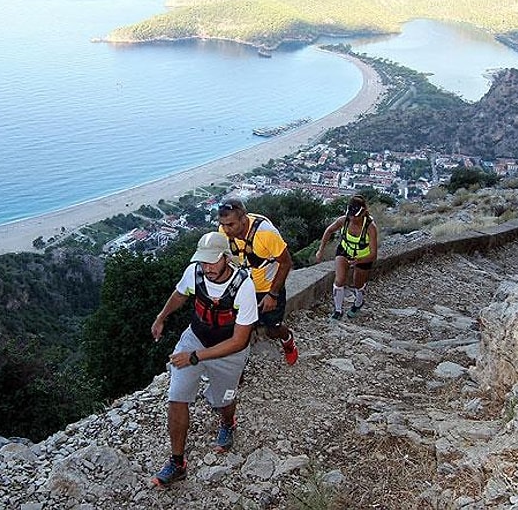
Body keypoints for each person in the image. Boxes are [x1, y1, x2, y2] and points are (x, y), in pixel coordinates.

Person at [149, 231, 259, 488]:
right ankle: (177, 463)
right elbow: (179, 295)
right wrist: (161, 317)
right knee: (177, 396)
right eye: (203, 261)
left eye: (212, 261)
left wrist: (195, 357)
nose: (207, 267)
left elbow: (239, 341)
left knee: (224, 399)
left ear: (226, 258)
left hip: (228, 351)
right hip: (195, 338)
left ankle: (227, 422)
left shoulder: (244, 286)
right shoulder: (195, 273)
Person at [216, 198, 298, 365]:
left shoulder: (266, 234)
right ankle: (237, 367)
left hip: (268, 288)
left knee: (272, 329)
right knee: (237, 329)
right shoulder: (223, 232)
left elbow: (286, 262)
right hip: (242, 287)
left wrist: (272, 295)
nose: (225, 229)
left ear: (244, 219)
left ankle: (287, 339)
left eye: (230, 224)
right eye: (223, 224)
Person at [315, 194, 379, 320]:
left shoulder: (370, 228)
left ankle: (358, 302)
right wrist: (320, 250)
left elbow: (373, 254)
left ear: (363, 213)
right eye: (351, 216)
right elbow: (329, 231)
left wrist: (358, 261)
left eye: (356, 216)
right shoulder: (344, 220)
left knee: (358, 283)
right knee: (339, 280)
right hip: (345, 250)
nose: (353, 219)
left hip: (363, 256)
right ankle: (338, 310)